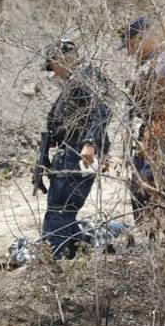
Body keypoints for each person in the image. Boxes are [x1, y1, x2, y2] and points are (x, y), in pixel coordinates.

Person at [31, 40, 112, 259]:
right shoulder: (72, 84)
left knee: (60, 210)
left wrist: (90, 143)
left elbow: (102, 110)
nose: (54, 72)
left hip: (78, 153)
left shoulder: (86, 76)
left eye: (53, 65)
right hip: (70, 151)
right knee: (61, 210)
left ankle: (56, 260)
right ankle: (79, 251)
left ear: (63, 58)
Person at [119, 18, 165, 223]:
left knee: (151, 186)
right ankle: (148, 233)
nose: (129, 52)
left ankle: (163, 233)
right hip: (150, 132)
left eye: (130, 45)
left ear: (143, 38)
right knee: (138, 186)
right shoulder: (148, 64)